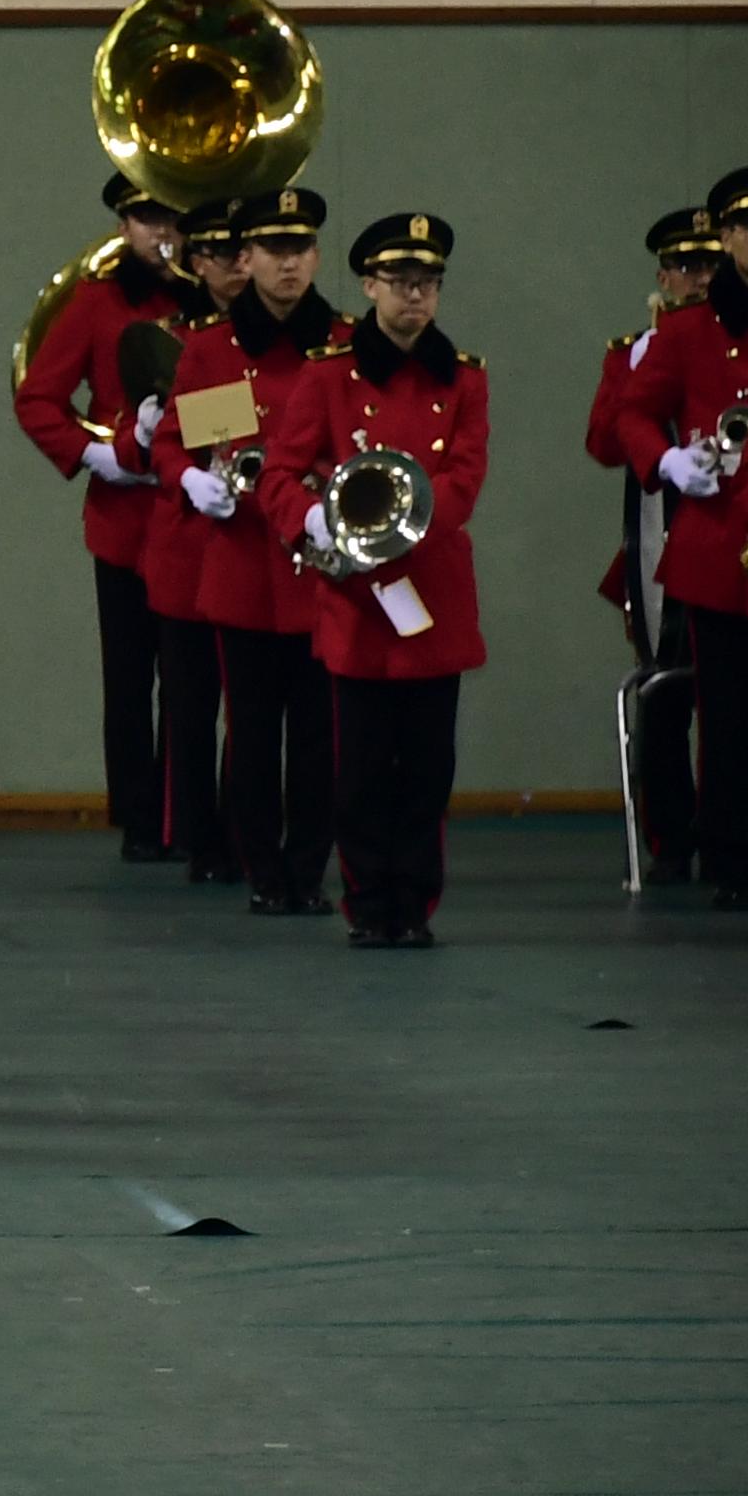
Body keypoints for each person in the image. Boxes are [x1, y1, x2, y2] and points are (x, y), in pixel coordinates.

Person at [262, 214, 485, 947]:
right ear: (368, 285)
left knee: (426, 768)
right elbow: (280, 475)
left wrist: (407, 524)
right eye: (399, 283)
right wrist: (315, 524)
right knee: (356, 772)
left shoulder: (464, 378)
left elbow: (465, 476)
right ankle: (367, 903)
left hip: (431, 595)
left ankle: (413, 905)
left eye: (427, 284)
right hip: (358, 599)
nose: (415, 297)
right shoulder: (329, 376)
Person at [153, 187, 340, 916]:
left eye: (300, 251)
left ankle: (310, 868)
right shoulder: (213, 349)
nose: (289, 266)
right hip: (243, 564)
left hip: (320, 566)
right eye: (273, 251)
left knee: (321, 734)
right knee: (254, 732)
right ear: (247, 259)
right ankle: (262, 869)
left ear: (315, 257)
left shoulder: (343, 344)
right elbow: (180, 440)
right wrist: (194, 477)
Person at [13, 174, 190, 862]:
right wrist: (96, 453)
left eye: (174, 218)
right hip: (126, 521)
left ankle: (190, 814)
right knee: (129, 675)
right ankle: (142, 821)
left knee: (192, 680)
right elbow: (38, 399)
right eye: (148, 218)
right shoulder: (94, 303)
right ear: (124, 225)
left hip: (196, 510)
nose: (163, 232)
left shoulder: (211, 302)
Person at [620, 168, 748, 909]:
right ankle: (730, 858)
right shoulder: (687, 330)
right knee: (726, 713)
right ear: (728, 237)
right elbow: (631, 417)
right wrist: (669, 461)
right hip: (718, 546)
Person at [119, 197, 250, 886]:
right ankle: (199, 836)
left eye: (245, 253)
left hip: (255, 538)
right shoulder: (169, 335)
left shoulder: (277, 339)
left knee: (255, 705)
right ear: (197, 263)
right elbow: (164, 435)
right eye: (226, 255)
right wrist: (155, 427)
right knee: (191, 705)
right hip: (186, 541)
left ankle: (247, 828)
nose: (240, 265)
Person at [591, 205, 721, 882]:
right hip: (656, 537)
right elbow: (601, 445)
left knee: (730, 692)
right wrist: (632, 384)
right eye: (684, 267)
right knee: (666, 693)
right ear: (663, 277)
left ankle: (728, 832)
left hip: (730, 533)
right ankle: (671, 838)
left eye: (709, 266)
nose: (698, 279)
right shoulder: (630, 350)